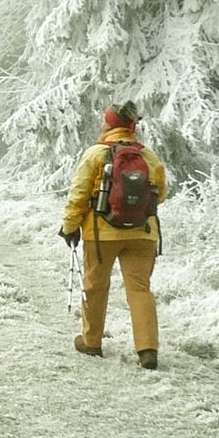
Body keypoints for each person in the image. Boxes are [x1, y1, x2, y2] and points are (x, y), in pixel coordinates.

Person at [59, 101, 168, 370]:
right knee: (140, 289)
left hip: (101, 233)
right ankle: (147, 349)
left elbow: (79, 194)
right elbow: (161, 194)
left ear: (108, 124)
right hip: (143, 233)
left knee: (95, 286)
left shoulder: (95, 154)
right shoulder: (149, 156)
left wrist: (69, 226)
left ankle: (92, 342)